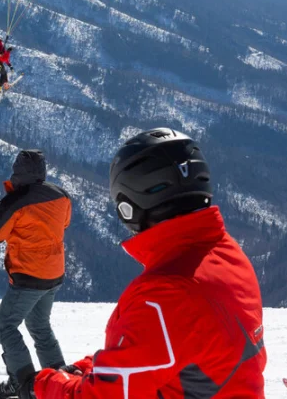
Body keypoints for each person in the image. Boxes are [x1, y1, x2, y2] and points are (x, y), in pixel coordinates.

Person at [29, 128, 267, 399]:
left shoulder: (161, 296)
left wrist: (43, 384)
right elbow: (162, 350)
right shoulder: (226, 254)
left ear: (128, 207)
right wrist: (90, 367)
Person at [0, 149, 71, 399]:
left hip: (29, 275)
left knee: (5, 326)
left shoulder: (16, 200)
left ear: (17, 171)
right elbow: (64, 223)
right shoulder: (61, 195)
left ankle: (24, 384)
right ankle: (61, 383)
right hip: (54, 272)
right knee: (39, 325)